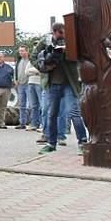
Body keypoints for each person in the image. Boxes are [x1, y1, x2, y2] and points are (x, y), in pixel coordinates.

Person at [34, 22, 88, 155]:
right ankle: (51, 143)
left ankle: (83, 142)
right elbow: (34, 56)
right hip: (53, 82)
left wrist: (68, 51)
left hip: (69, 82)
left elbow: (81, 57)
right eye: (59, 33)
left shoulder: (72, 41)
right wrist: (44, 66)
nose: (61, 36)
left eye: (63, 33)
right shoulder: (45, 42)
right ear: (54, 32)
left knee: (74, 113)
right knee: (52, 114)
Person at [15, 45, 41, 130]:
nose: (21, 53)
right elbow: (22, 71)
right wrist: (16, 79)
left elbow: (36, 71)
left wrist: (32, 72)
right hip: (20, 84)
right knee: (22, 105)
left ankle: (33, 122)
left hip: (29, 83)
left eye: (22, 51)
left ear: (27, 51)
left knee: (32, 105)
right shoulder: (19, 60)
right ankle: (22, 122)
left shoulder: (31, 60)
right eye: (20, 51)